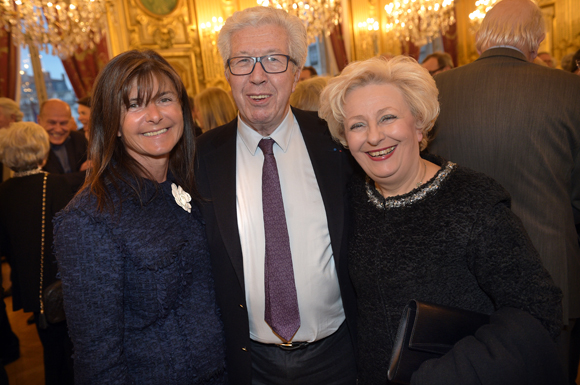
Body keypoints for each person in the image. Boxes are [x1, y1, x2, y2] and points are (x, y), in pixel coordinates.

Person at [318, 55, 564, 384]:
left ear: (419, 125)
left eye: (388, 117)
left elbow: (538, 308)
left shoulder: (472, 200)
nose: (374, 137)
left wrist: (449, 375)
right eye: (357, 125)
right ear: (346, 139)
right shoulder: (349, 201)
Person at [196, 6, 357, 384]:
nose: (257, 77)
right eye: (242, 62)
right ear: (226, 74)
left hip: (339, 354)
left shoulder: (337, 143)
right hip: (247, 363)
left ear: (296, 72)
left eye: (273, 60)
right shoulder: (198, 158)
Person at [427, 0, 580, 381]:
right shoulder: (570, 89)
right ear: (537, 39)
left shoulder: (436, 90)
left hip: (460, 273)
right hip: (551, 270)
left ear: (480, 39)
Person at [53, 50, 227, 385]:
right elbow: (97, 358)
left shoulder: (190, 184)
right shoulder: (89, 218)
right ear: (111, 123)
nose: (155, 115)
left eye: (164, 98)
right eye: (134, 105)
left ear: (183, 109)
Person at [0, 121, 76, 385]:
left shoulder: (4, 191)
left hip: (30, 285)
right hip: (59, 283)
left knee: (50, 348)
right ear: (43, 153)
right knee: (71, 350)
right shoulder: (54, 185)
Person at [38, 99, 89, 175]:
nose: (58, 129)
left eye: (63, 123)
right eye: (52, 123)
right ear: (39, 120)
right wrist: (80, 175)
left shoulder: (80, 139)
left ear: (71, 121)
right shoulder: (32, 146)